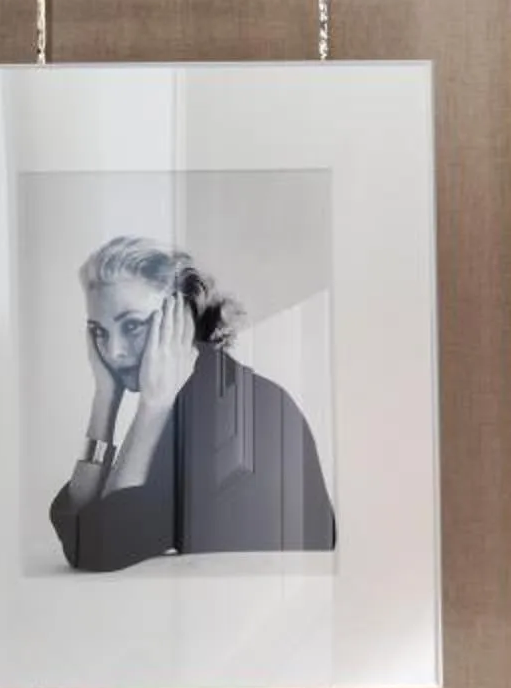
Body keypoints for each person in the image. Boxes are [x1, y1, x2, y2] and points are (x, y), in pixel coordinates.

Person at [49, 233, 336, 572]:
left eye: (132, 326)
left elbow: (95, 547)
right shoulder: (195, 389)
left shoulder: (218, 408)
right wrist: (104, 398)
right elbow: (78, 527)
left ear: (183, 318)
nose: (114, 352)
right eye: (100, 332)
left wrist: (151, 410)